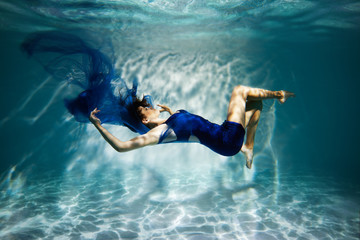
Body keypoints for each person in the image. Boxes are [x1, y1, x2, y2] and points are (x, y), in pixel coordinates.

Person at [89, 85, 295, 169]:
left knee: (255, 104)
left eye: (146, 104)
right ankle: (279, 94)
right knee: (239, 90)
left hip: (225, 135)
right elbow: (122, 146)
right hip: (226, 140)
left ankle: (248, 147)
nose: (149, 105)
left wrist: (171, 111)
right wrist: (98, 126)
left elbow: (182, 124)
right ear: (144, 120)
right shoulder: (159, 133)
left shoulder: (167, 122)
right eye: (145, 108)